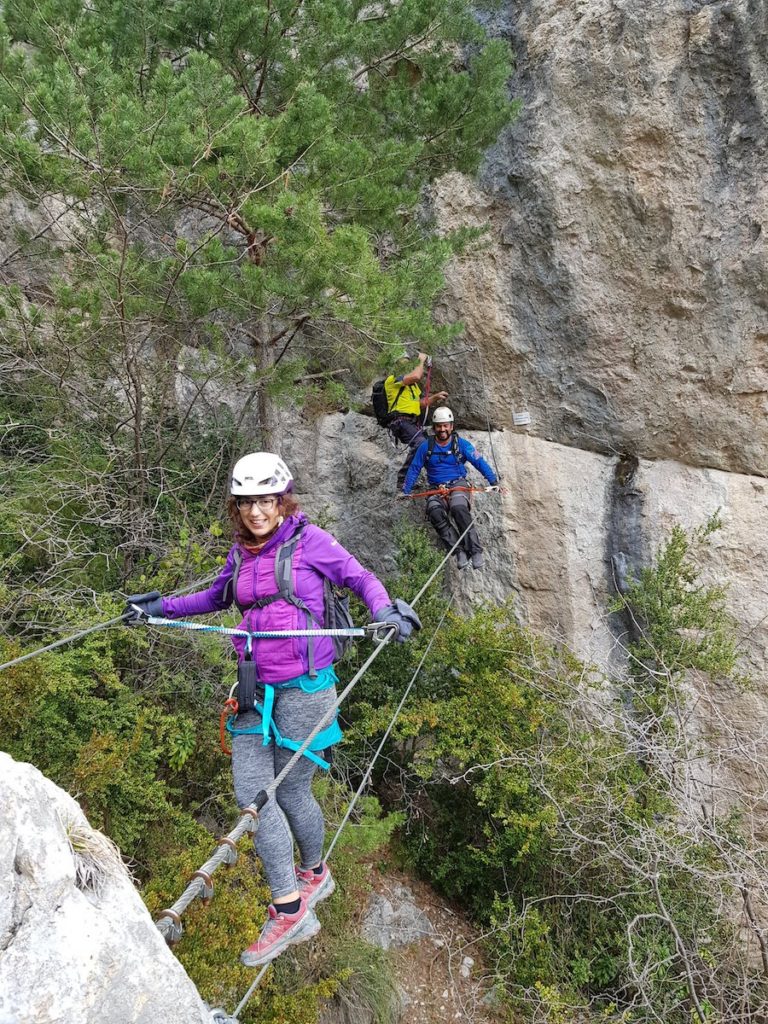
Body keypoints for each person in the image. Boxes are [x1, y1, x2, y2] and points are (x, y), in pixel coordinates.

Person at [124, 452, 420, 967]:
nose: (256, 511)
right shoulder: (241, 556)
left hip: (307, 689)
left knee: (290, 790)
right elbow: (214, 598)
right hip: (254, 687)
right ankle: (297, 899)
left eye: (265, 500)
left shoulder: (312, 542)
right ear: (236, 507)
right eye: (246, 503)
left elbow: (360, 578)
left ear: (283, 501)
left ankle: (306, 885)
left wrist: (386, 611)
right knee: (254, 797)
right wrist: (158, 609)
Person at [401, 407, 499, 570]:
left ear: (451, 426)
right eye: (439, 426)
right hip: (436, 488)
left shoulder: (461, 444)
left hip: (458, 484)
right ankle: (458, 551)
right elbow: (414, 468)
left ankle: (475, 551)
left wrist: (493, 481)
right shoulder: (426, 447)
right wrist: (406, 491)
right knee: (434, 511)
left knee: (458, 507)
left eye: (445, 425)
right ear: (434, 427)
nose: (442, 429)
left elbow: (479, 461)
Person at [384, 352, 448, 489]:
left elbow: (420, 403)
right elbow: (416, 376)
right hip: (400, 421)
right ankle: (403, 481)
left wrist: (435, 397)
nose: (406, 364)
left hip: (412, 422)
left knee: (431, 446)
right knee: (420, 443)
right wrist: (421, 360)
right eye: (403, 362)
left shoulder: (412, 387)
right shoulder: (393, 380)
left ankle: (440, 479)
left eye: (408, 362)